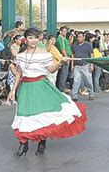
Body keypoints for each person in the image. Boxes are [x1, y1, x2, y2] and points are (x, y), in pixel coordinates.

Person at [9, 28, 87, 156]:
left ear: (39, 38)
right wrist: (13, 90)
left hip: (41, 85)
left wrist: (60, 62)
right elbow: (19, 72)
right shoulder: (21, 55)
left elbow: (51, 69)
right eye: (30, 38)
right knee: (23, 114)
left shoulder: (44, 53)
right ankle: (23, 144)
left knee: (41, 114)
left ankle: (42, 143)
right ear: (26, 39)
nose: (33, 40)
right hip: (26, 87)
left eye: (35, 38)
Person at [71, 32, 94, 101]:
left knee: (88, 81)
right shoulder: (74, 45)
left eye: (80, 37)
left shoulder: (88, 45)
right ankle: (74, 96)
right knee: (76, 81)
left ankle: (91, 94)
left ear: (84, 37)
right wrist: (72, 65)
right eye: (78, 37)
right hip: (77, 66)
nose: (79, 38)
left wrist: (91, 65)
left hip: (86, 65)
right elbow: (72, 55)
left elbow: (92, 55)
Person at [55, 26, 72, 93]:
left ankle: (62, 86)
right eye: (64, 31)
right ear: (60, 31)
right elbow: (63, 49)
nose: (65, 32)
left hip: (67, 56)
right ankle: (61, 88)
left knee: (64, 73)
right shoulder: (60, 38)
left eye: (66, 31)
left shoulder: (64, 38)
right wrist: (66, 57)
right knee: (63, 74)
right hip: (65, 58)